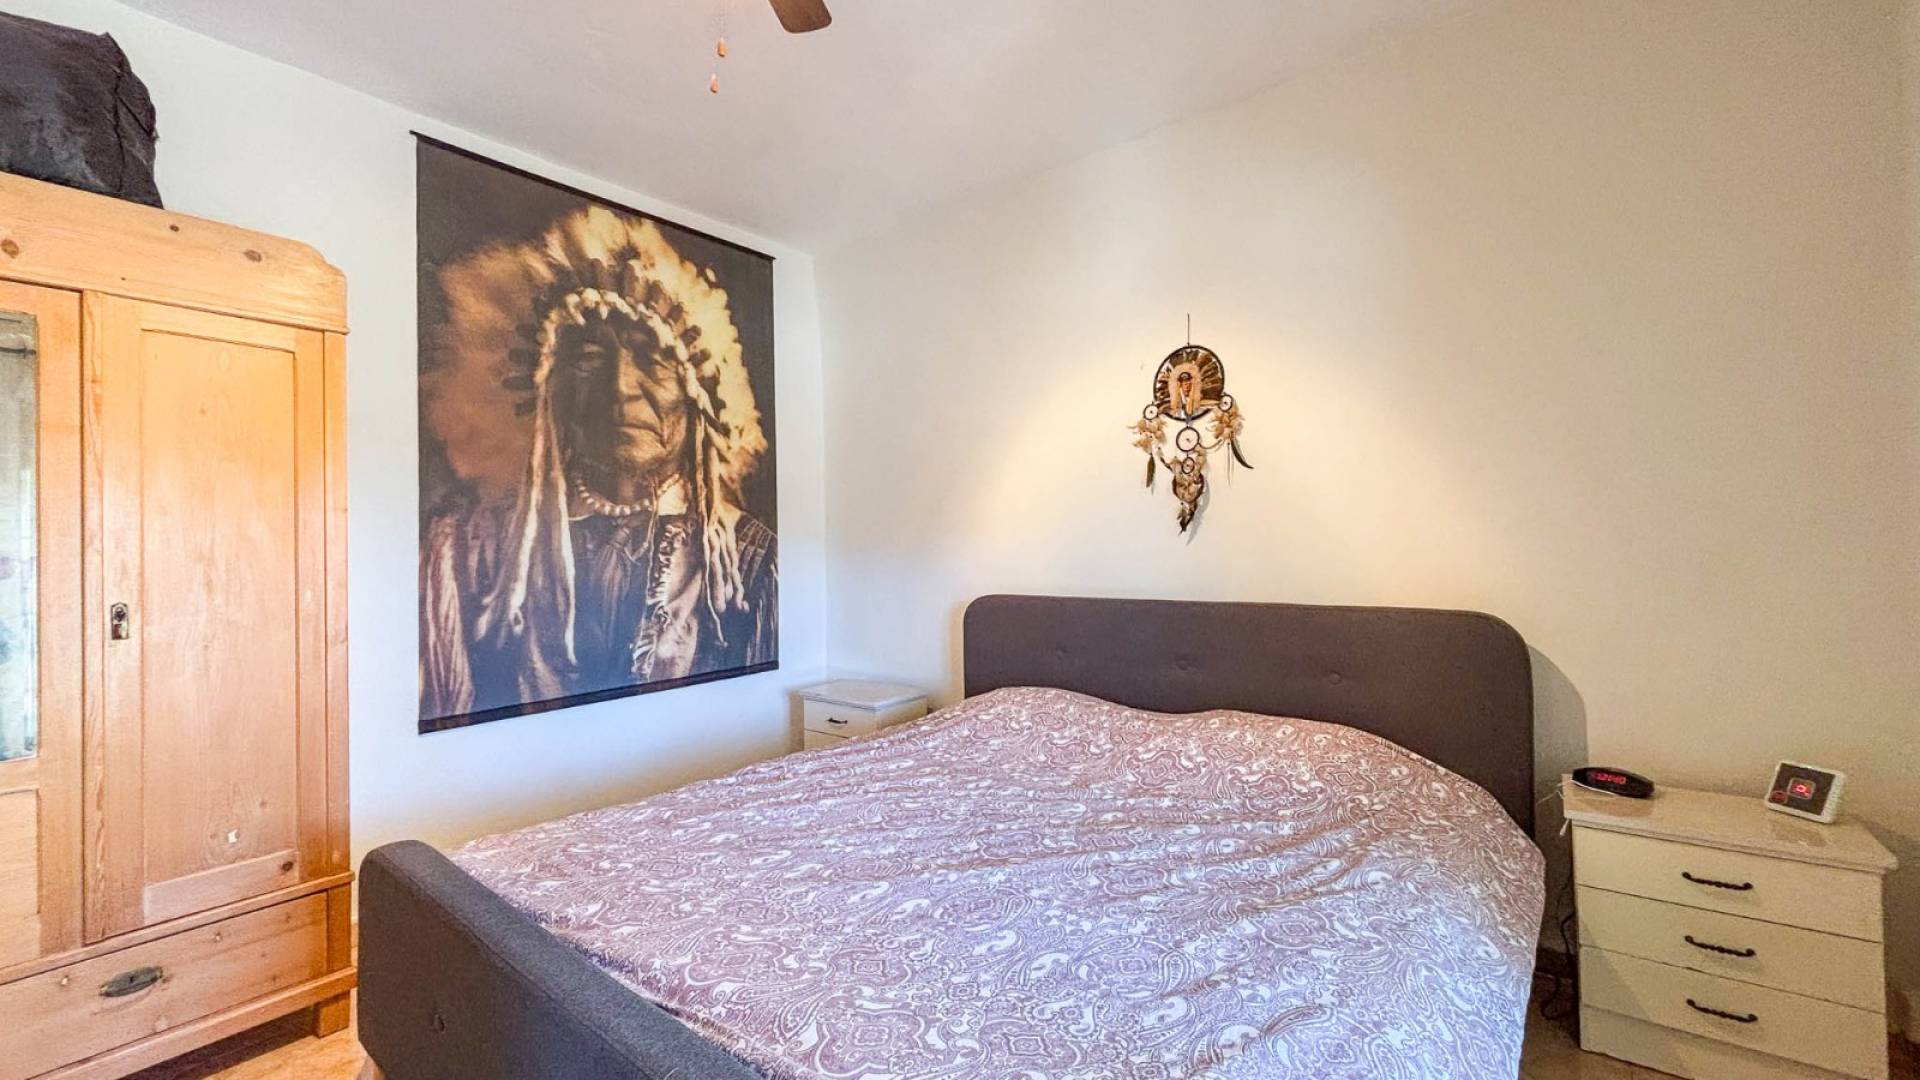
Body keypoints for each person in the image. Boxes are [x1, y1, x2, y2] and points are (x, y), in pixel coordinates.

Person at [420, 207, 776, 724]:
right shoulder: (474, 550)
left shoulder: (745, 562)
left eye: (652, 359)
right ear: (549, 385)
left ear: (700, 395)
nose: (620, 387)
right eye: (588, 358)